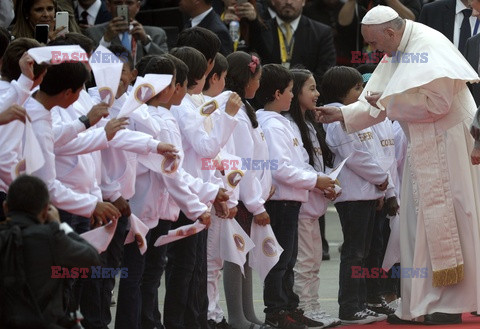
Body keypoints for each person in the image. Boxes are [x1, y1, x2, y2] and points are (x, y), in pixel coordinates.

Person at [317, 6, 480, 325]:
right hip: (425, 143)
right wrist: (345, 114)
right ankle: (422, 303)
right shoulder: (400, 46)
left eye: (375, 43)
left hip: (449, 144)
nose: (372, 51)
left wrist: (386, 105)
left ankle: (447, 304)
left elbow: (438, 105)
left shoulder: (427, 47)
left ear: (391, 33)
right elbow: (377, 95)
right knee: (414, 224)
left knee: (454, 220)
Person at [255, 64, 335, 329]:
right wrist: (315, 180)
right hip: (280, 202)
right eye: (290, 91)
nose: (291, 96)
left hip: (292, 201)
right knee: (279, 260)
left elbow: (300, 160)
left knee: (288, 260)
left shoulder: (282, 123)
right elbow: (281, 169)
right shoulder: (271, 123)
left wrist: (320, 180)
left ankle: (289, 306)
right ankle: (276, 312)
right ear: (278, 93)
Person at [1, 174, 101, 327]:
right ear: (45, 211)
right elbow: (92, 257)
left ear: (5, 208)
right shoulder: (52, 238)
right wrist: (60, 226)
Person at [221, 51, 272, 329]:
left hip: (250, 197)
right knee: (235, 256)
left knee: (247, 255)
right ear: (247, 78)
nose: (259, 84)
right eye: (258, 78)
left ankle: (248, 313)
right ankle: (237, 317)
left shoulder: (244, 110)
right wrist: (256, 203)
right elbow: (242, 164)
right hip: (241, 198)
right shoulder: (237, 115)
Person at [286, 68, 340, 328]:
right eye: (311, 88)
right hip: (302, 206)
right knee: (304, 262)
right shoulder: (290, 125)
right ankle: (304, 307)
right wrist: (319, 182)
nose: (317, 94)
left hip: (314, 205)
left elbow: (320, 163)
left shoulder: (310, 123)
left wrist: (330, 182)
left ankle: (313, 305)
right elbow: (298, 166)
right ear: (295, 93)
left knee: (313, 260)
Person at [247, 0, 336, 85]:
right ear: (273, 1)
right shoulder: (260, 31)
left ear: (304, 1)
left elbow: (325, 73)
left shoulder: (321, 33)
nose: (288, 2)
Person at [84, 0, 168, 64]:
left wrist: (146, 41)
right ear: (108, 6)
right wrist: (105, 41)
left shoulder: (157, 34)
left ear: (138, 6)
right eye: (118, 3)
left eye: (129, 3)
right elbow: (88, 67)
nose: (124, 7)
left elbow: (167, 64)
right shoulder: (92, 33)